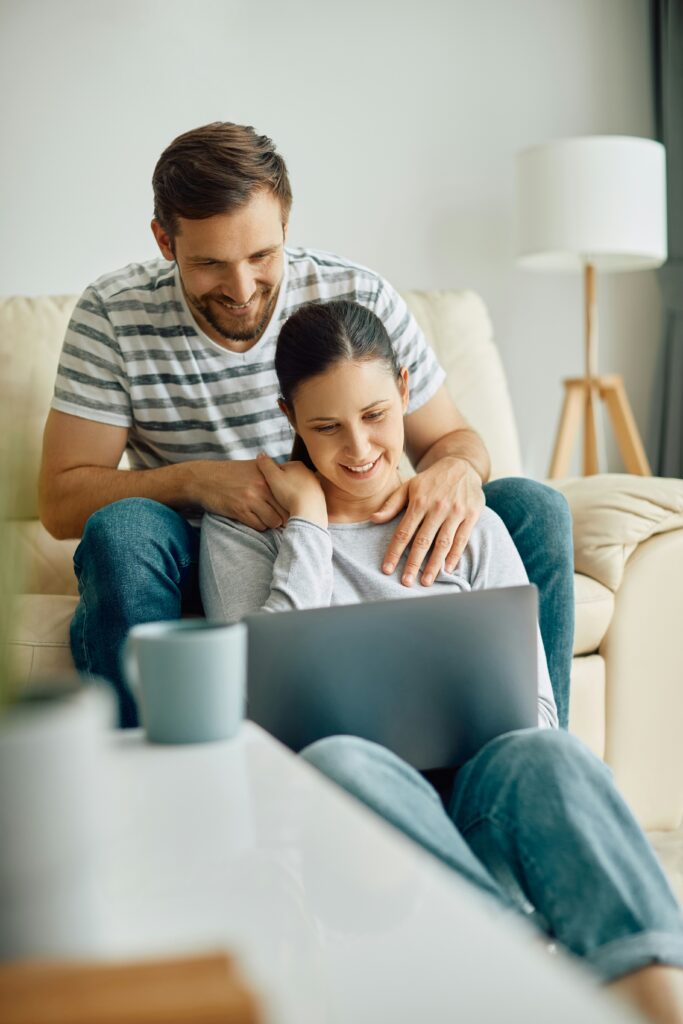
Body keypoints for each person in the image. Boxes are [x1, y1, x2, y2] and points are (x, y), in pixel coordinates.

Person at [200, 299, 683, 1024]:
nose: (358, 448)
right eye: (326, 427)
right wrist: (305, 526)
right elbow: (255, 702)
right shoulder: (247, 529)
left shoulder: (471, 523)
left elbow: (535, 712)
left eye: (374, 415)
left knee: (547, 754)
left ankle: (656, 1001)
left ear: (403, 389)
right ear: (288, 416)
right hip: (355, 837)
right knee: (343, 761)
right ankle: (517, 974)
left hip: (475, 815)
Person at [38, 121, 573, 729]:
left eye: (262, 256)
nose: (242, 290)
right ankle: (158, 780)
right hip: (199, 554)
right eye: (210, 263)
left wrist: (455, 466)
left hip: (346, 538)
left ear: (286, 226)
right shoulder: (113, 313)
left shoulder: (357, 294)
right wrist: (197, 481)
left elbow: (454, 439)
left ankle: (543, 759)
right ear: (165, 241)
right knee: (123, 532)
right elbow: (60, 501)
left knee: (534, 505)